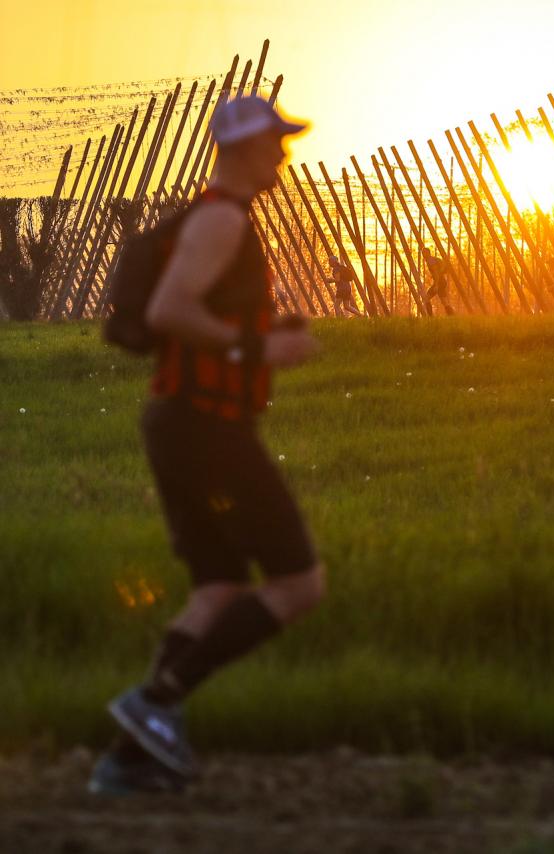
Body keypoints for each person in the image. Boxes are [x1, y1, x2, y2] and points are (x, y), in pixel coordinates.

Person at [89, 95, 324, 795]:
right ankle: (153, 705)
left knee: (218, 588)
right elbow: (170, 311)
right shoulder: (223, 217)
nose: (283, 153)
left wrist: (255, 331)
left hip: (184, 421)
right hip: (205, 427)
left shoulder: (212, 217)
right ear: (245, 147)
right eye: (274, 142)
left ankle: (127, 763)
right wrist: (261, 345)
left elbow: (194, 310)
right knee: (299, 583)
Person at [422, 247, 454, 316]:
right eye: (422, 253)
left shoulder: (430, 261)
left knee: (427, 298)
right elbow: (440, 270)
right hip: (442, 282)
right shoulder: (433, 259)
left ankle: (430, 318)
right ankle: (452, 316)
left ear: (428, 253)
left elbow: (436, 273)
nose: (423, 254)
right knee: (444, 301)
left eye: (424, 253)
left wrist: (436, 285)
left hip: (439, 282)